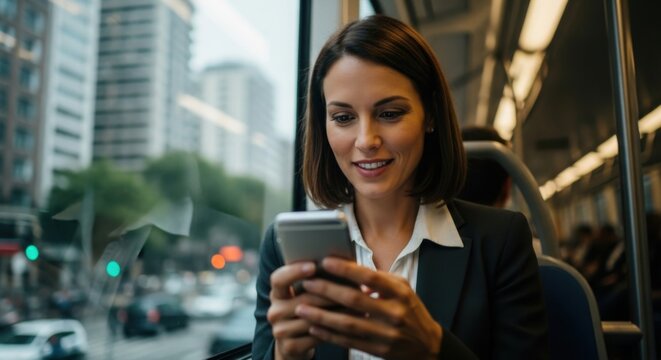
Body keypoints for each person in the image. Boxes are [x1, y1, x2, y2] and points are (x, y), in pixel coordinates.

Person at [254, 15, 549, 360]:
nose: (366, 140)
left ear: (431, 117)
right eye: (343, 117)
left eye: (390, 113)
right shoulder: (283, 247)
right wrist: (285, 356)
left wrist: (433, 348)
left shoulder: (500, 241)